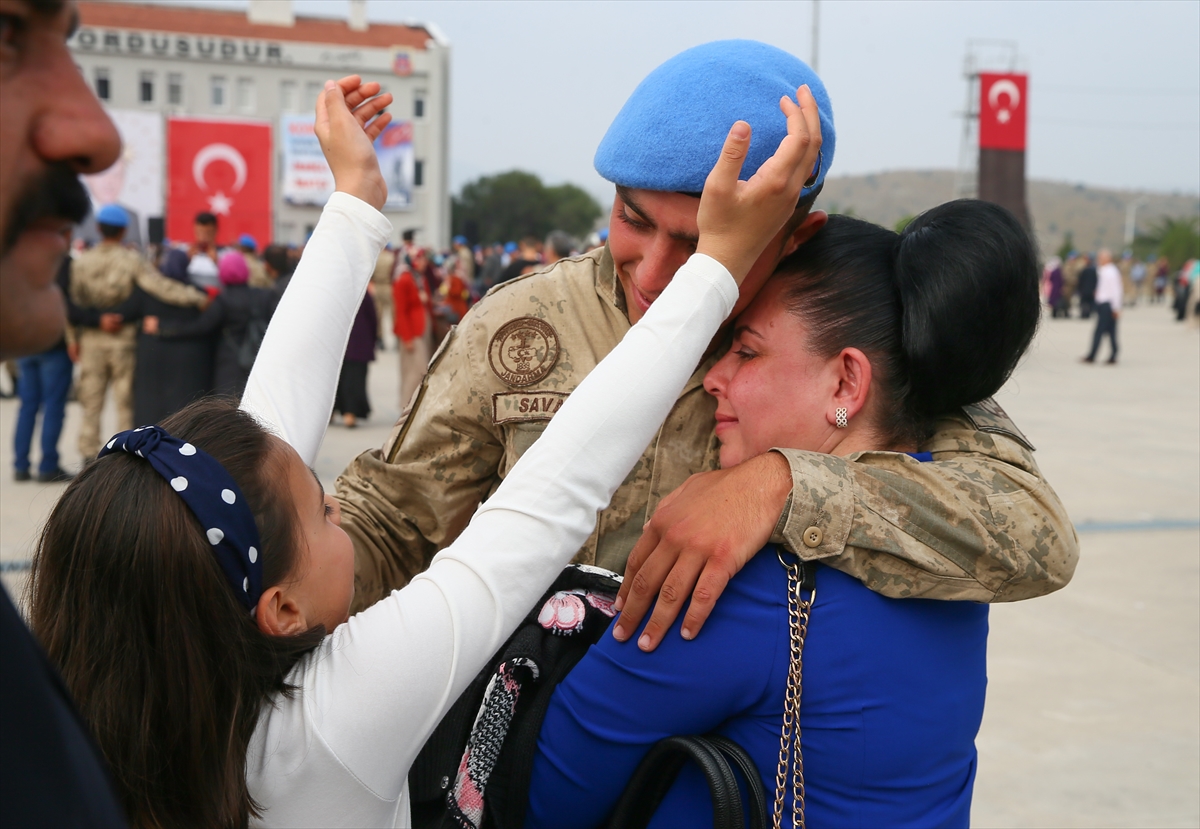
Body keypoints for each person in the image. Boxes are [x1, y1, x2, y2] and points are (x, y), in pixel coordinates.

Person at [27, 73, 819, 828]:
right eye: (327, 510)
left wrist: (353, 204)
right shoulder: (337, 720)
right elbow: (545, 498)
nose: (345, 503)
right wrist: (715, 267)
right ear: (282, 609)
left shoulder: (129, 710)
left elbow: (262, 442)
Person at [335, 41, 1078, 643]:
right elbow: (393, 521)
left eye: (697, 243)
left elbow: (1032, 533)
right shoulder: (524, 325)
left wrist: (779, 486)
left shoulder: (841, 326)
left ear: (795, 235)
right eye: (631, 218)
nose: (653, 272)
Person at [527, 200, 1041, 828]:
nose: (714, 377)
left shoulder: (741, 585)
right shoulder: (950, 531)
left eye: (746, 351)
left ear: (846, 384)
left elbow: (554, 787)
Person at [0, 1, 127, 823]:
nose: (95, 131)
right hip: (89, 342)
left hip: (85, 340)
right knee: (74, 416)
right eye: (7, 36)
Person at [69, 203, 208, 457]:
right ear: (123, 231)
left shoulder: (81, 263)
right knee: (124, 403)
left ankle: (88, 456)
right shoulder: (131, 260)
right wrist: (197, 298)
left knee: (91, 402)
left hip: (91, 341)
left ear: (99, 229)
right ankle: (122, 456)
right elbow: (160, 287)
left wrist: (72, 339)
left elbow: (73, 304)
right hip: (124, 340)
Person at [149, 249, 278, 397]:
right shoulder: (264, 296)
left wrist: (163, 327)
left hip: (230, 368)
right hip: (259, 363)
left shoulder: (223, 300)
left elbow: (200, 327)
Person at [117, 248, 216, 426]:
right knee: (184, 415)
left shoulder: (147, 292)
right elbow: (207, 325)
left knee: (151, 411)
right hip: (190, 363)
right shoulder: (199, 295)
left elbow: (123, 313)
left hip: (153, 358)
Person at [12, 243, 80, 483]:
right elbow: (69, 303)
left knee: (27, 406)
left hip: (25, 343)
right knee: (53, 406)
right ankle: (47, 466)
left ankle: (21, 466)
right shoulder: (63, 262)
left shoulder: (19, 258)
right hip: (54, 344)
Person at [393, 245, 435, 407]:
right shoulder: (403, 280)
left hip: (422, 329)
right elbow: (401, 311)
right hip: (412, 332)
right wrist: (407, 337)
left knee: (421, 369)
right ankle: (407, 405)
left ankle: (416, 406)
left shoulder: (419, 278)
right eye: (420, 259)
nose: (424, 262)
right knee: (414, 371)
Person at [334, 288, 378, 427]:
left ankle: (334, 411)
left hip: (338, 344)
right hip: (359, 343)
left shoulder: (334, 292)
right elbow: (373, 318)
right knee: (355, 380)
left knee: (338, 380)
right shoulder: (362, 292)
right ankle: (350, 413)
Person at [1083, 248, 1121, 364]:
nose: (1099, 260)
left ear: (1108, 258)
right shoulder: (1103, 270)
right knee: (1111, 331)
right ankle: (1114, 354)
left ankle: (1092, 355)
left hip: (1107, 305)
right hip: (1103, 304)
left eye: (1101, 258)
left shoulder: (1111, 272)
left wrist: (1116, 308)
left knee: (1100, 331)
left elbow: (1116, 291)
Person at [187, 211, 222, 291]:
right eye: (199, 232)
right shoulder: (186, 253)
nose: (203, 237)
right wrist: (186, 261)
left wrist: (218, 262)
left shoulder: (225, 255)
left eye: (207, 233)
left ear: (215, 231)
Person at [1077, 254, 1098, 319]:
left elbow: (1080, 280)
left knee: (1086, 302)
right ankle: (1086, 314)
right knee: (1087, 303)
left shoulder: (1087, 270)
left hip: (1086, 289)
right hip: (1088, 289)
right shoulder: (1092, 270)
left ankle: (1085, 314)